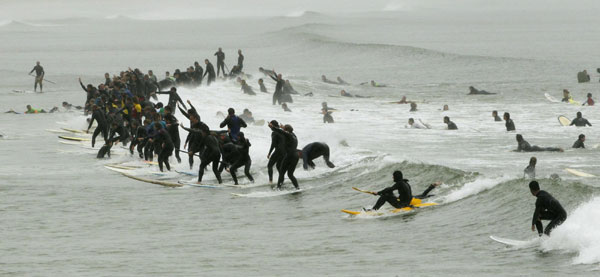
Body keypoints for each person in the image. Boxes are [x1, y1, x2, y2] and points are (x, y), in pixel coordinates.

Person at [367, 170, 440, 211]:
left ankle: (373, 210)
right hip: (408, 200)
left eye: (393, 176)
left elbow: (389, 189)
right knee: (387, 192)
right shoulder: (405, 182)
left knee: (385, 196)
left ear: (396, 177)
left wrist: (378, 193)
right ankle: (432, 186)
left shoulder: (399, 183)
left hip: (402, 205)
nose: (392, 177)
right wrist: (431, 187)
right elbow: (422, 195)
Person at [269, 122, 299, 190]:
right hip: (295, 155)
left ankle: (278, 188)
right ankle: (297, 187)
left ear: (286, 130)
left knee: (282, 172)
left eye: (284, 129)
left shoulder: (288, 135)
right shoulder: (294, 135)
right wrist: (284, 128)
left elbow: (281, 131)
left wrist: (272, 127)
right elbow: (285, 132)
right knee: (290, 174)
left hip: (289, 156)